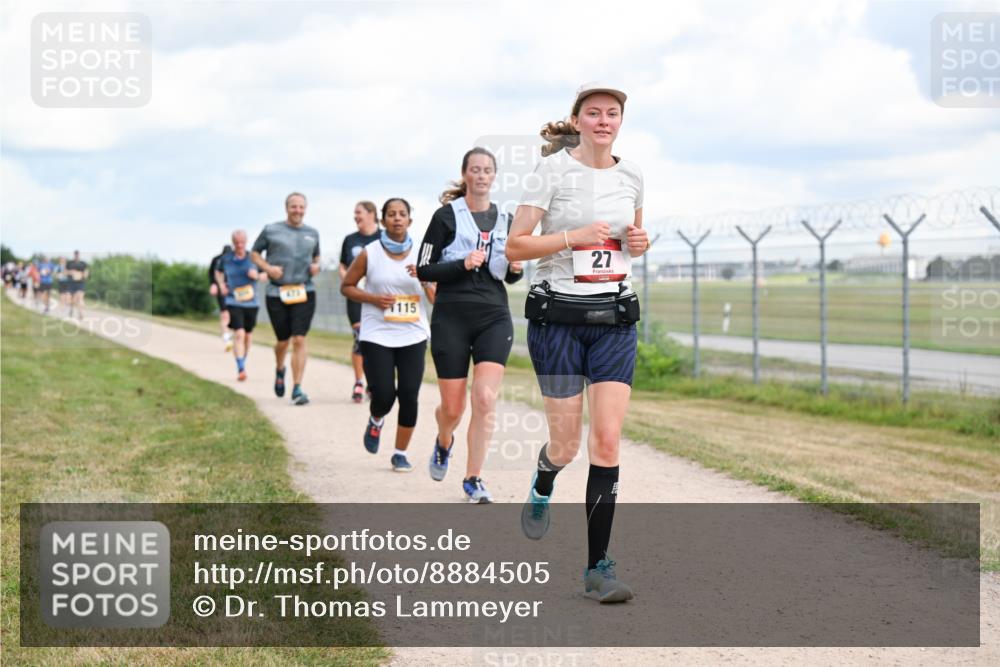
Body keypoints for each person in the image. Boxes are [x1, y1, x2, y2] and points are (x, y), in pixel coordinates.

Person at [505, 82, 649, 602]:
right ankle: (545, 477)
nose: (603, 120)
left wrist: (640, 242)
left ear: (619, 122)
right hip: (558, 319)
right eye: (594, 113)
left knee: (606, 441)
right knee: (566, 444)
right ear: (579, 120)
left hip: (613, 316)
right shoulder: (552, 171)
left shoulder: (632, 174)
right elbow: (516, 246)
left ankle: (598, 569)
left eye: (612, 113)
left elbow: (631, 241)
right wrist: (570, 238)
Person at [416, 147, 524, 503]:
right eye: (474, 169)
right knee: (453, 408)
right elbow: (425, 268)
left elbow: (507, 276)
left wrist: (515, 269)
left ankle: (473, 477)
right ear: (465, 175)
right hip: (451, 317)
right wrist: (461, 263)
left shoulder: (507, 221)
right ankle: (443, 440)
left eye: (487, 170)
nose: (480, 175)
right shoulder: (445, 217)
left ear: (494, 176)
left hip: (493, 315)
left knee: (485, 398)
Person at [341, 198, 435, 472]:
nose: (397, 218)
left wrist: (425, 278)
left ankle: (400, 452)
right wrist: (372, 298)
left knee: (409, 394)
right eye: (391, 214)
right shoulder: (370, 253)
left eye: (402, 214)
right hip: (377, 334)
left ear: (410, 221)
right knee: (383, 395)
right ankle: (377, 419)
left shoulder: (422, 254)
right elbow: (347, 286)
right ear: (382, 221)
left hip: (413, 334)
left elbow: (435, 299)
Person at [251, 192, 321, 406]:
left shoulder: (313, 233)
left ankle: (297, 387)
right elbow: (254, 253)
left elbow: (316, 257)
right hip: (277, 292)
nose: (297, 210)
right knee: (283, 341)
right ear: (286, 208)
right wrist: (268, 268)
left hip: (304, 290)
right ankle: (280, 368)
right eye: (294, 207)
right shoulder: (271, 230)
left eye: (301, 207)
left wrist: (316, 266)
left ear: (305, 209)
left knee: (299, 339)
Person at [340, 201, 381, 402]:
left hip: (379, 298)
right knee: (359, 338)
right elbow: (342, 264)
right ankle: (358, 382)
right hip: (356, 295)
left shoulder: (383, 237)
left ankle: (374, 382)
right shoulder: (350, 240)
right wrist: (348, 278)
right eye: (354, 213)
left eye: (359, 212)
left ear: (372, 214)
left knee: (376, 342)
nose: (356, 216)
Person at [216, 231, 260, 381]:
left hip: (251, 302)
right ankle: (241, 368)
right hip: (233, 301)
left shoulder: (253, 258)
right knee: (239, 333)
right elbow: (218, 272)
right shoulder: (226, 259)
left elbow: (267, 274)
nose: (239, 245)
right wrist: (221, 285)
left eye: (242, 242)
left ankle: (243, 359)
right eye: (236, 242)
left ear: (246, 242)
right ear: (233, 242)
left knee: (248, 335)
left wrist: (257, 276)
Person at [209, 245, 233, 351]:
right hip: (221, 289)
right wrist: (213, 284)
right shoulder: (217, 260)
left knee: (231, 314)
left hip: (232, 290)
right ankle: (226, 336)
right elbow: (211, 274)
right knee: (225, 314)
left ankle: (227, 333)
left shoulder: (234, 260)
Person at [65, 250, 89, 320]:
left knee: (80, 298)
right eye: (75, 255)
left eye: (77, 255)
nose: (76, 256)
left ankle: (81, 313)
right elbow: (65, 272)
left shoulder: (83, 263)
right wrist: (71, 272)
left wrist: (83, 275)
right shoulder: (70, 263)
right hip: (71, 283)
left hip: (80, 283)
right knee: (70, 300)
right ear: (74, 255)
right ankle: (71, 309)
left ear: (79, 255)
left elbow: (86, 272)